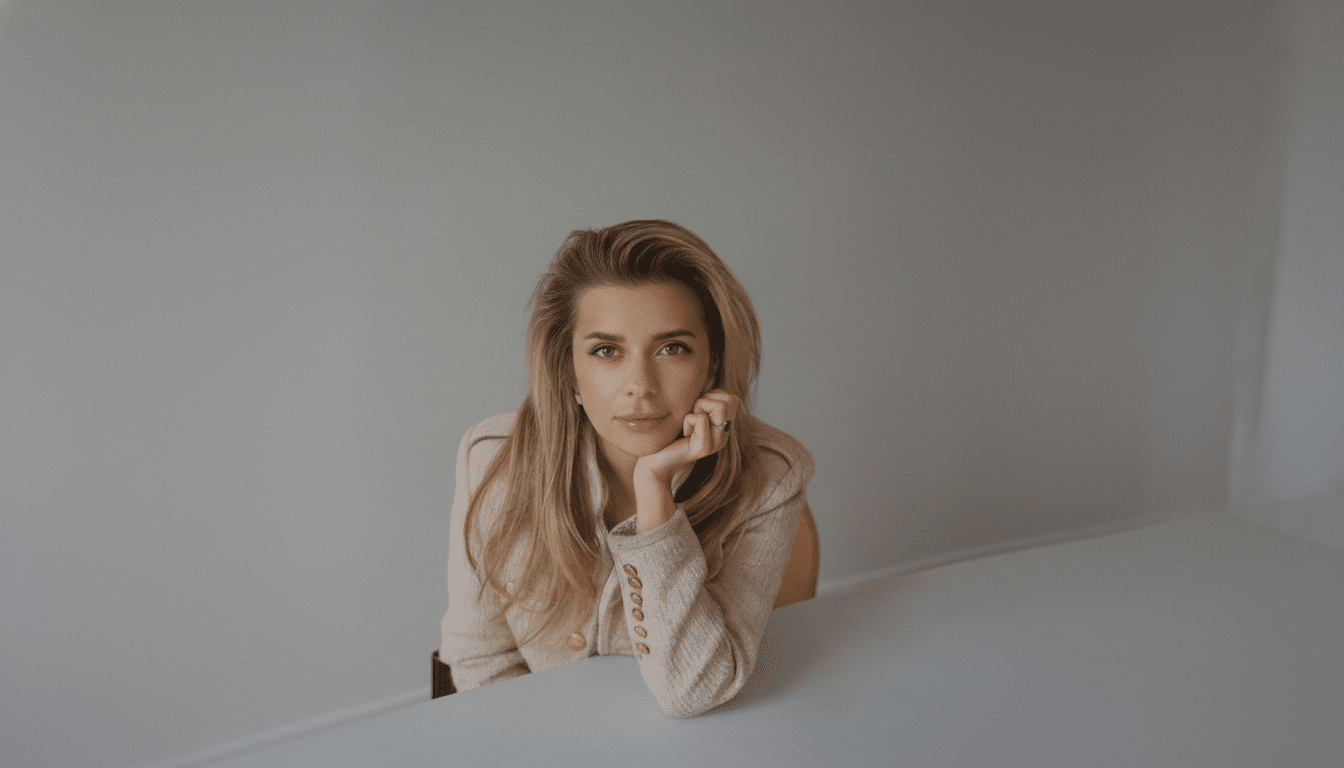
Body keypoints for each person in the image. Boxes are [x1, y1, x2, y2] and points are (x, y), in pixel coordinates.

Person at [438, 219, 813, 718]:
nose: (641, 385)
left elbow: (694, 688)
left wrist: (654, 492)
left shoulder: (770, 476)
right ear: (568, 367)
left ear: (711, 362)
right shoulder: (492, 459)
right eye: (606, 351)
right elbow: (478, 660)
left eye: (672, 348)